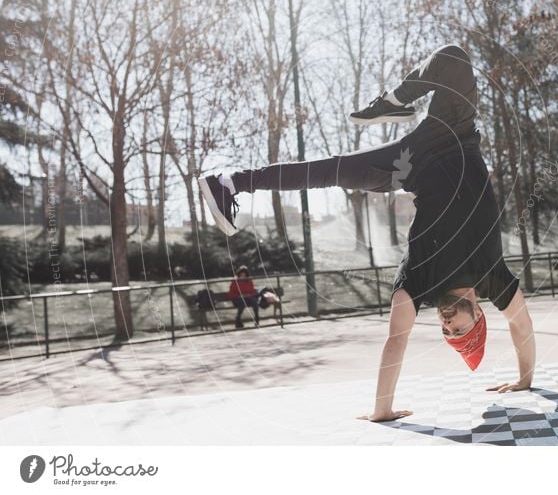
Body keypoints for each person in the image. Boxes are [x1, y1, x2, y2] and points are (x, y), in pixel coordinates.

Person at [199, 43, 536, 421]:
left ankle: (229, 183)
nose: (446, 325)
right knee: (454, 57)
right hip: (453, 134)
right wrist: (525, 379)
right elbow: (521, 325)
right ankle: (394, 99)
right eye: (457, 330)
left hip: (407, 167)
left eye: (446, 333)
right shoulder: (493, 279)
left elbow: (396, 342)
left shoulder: (418, 283)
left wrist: (382, 409)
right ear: (477, 318)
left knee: (331, 170)